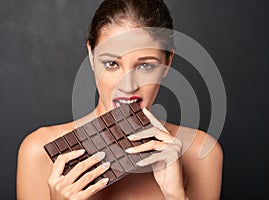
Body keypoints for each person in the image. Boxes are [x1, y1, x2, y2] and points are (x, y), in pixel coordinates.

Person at [17, 0, 223, 199]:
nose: (127, 86)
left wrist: (175, 195)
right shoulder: (39, 152)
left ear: (167, 63)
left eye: (146, 66)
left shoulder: (201, 154)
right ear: (91, 55)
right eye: (112, 64)